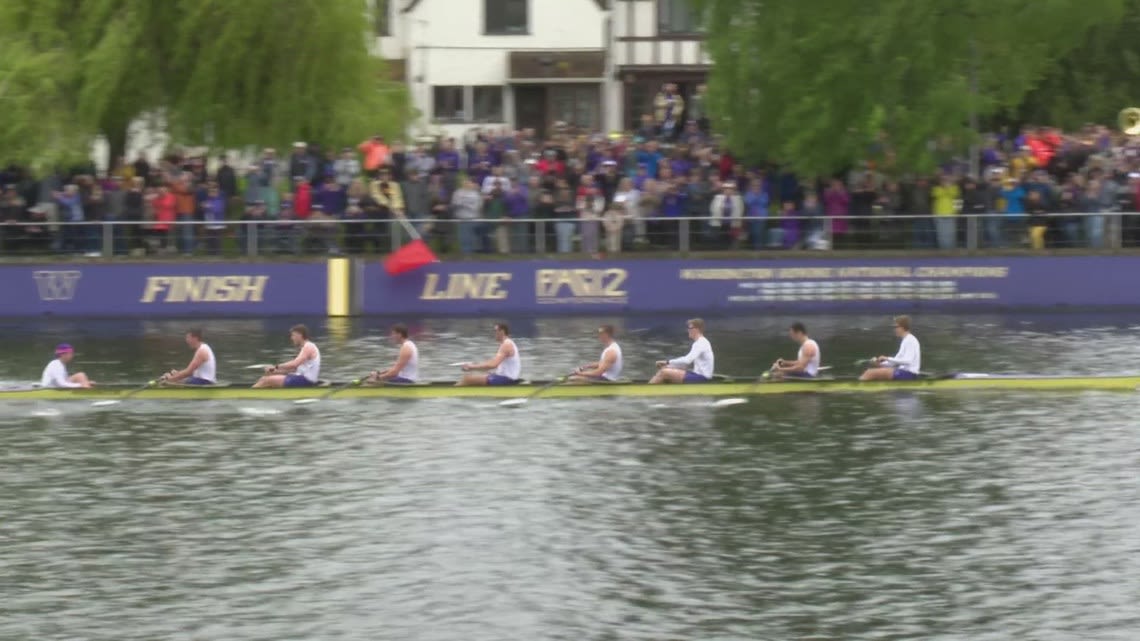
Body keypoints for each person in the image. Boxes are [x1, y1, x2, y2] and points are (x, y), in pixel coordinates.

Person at [253, 324, 321, 388]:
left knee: (265, 380)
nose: (291, 338)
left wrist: (276, 366)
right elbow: (294, 369)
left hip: (306, 380)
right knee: (269, 374)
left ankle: (249, 395)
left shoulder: (308, 346)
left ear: (300, 335)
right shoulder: (304, 348)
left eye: (293, 335)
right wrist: (274, 370)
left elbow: (294, 364)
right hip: (300, 378)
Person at [650, 318, 714, 384]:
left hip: (702, 378)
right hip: (698, 375)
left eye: (690, 328)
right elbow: (685, 363)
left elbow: (687, 361)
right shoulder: (701, 342)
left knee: (664, 373)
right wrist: (669, 366)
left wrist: (667, 362)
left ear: (696, 329)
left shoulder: (701, 343)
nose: (688, 330)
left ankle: (648, 390)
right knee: (666, 369)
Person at [457, 322, 521, 386]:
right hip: (503, 377)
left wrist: (472, 367)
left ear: (502, 332)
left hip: (507, 379)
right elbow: (491, 363)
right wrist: (473, 367)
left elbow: (493, 365)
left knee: (467, 379)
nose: (494, 334)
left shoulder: (506, 344)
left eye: (495, 331)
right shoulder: (506, 344)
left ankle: (456, 393)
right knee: (474, 375)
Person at [860, 315, 922, 381]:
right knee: (871, 371)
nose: (894, 329)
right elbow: (895, 362)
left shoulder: (910, 340)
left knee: (869, 373)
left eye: (896, 327)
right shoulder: (905, 340)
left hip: (909, 374)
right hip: (903, 372)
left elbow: (908, 361)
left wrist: (887, 358)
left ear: (902, 327)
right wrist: (879, 364)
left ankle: (859, 387)